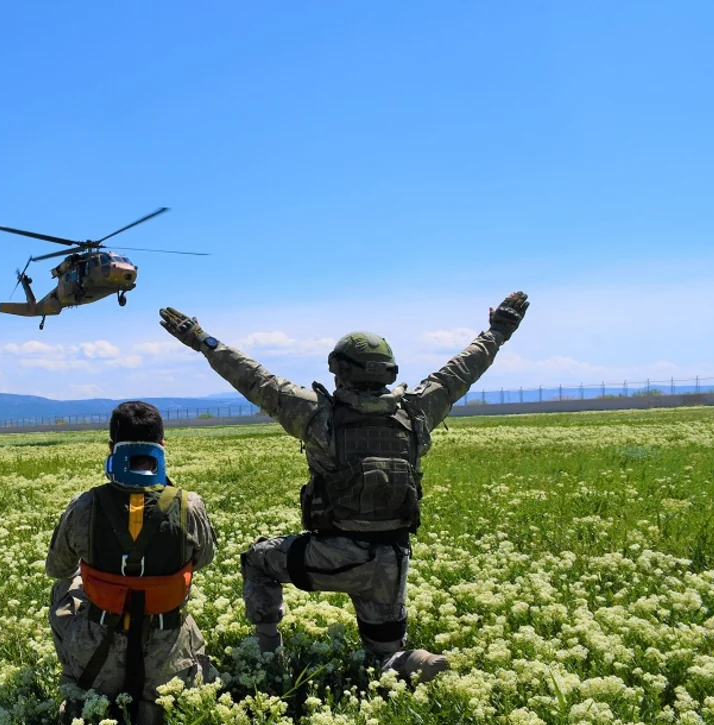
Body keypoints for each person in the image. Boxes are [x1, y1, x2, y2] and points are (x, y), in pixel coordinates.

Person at [157, 292, 530, 683]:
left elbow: (254, 378)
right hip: (390, 560)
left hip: (329, 555)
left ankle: (269, 657)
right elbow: (460, 371)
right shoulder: (417, 410)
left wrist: (202, 339)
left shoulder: (316, 415)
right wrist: (497, 331)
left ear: (339, 371)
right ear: (388, 371)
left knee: (257, 560)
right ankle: (411, 660)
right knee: (382, 657)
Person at [46, 401, 217, 725]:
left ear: (111, 450)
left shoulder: (84, 506)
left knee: (65, 586)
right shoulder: (190, 505)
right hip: (170, 660)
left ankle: (76, 680)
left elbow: (58, 568)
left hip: (98, 654)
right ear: (162, 450)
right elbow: (204, 560)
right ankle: (155, 708)